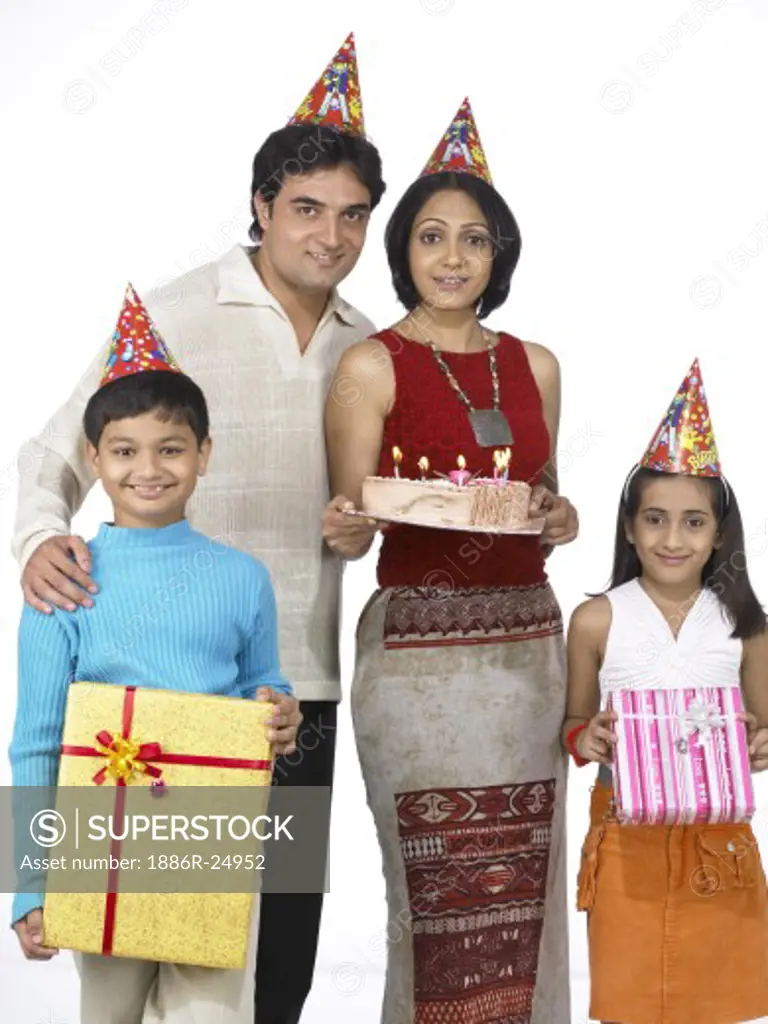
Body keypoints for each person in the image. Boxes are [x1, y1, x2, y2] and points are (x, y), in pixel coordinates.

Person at [11, 33, 385, 1024]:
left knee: (280, 951)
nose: (330, 236)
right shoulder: (178, 312)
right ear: (260, 207)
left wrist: (366, 525)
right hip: (160, 702)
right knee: (134, 949)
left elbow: (377, 492)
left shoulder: (370, 344)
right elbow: (58, 445)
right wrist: (39, 538)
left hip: (291, 689)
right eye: (306, 209)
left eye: (353, 215)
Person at [323, 99, 577, 1023]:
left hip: (527, 654)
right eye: (432, 237)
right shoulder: (372, 366)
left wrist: (561, 513)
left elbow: (548, 494)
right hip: (418, 662)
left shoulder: (536, 364)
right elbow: (356, 511)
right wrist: (348, 529)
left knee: (525, 894)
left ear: (499, 255)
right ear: (403, 252)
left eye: (475, 239)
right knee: (435, 901)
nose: (453, 257)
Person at [10, 287, 302, 1023]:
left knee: (213, 1014)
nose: (149, 468)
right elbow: (38, 744)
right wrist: (32, 884)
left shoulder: (243, 578)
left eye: (171, 448)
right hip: (103, 838)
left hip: (213, 838)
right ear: (93, 458)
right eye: (125, 450)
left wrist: (278, 709)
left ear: (204, 454)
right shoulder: (66, 579)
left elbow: (262, 687)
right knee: (109, 1012)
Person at [564, 360, 768, 1024]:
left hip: (719, 839)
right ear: (629, 527)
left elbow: (763, 724)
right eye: (654, 520)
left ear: (718, 535)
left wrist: (762, 741)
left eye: (692, 523)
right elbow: (572, 722)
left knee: (717, 999)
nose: (672, 539)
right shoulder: (597, 618)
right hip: (626, 837)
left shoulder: (746, 626)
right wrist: (585, 736)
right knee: (629, 997)